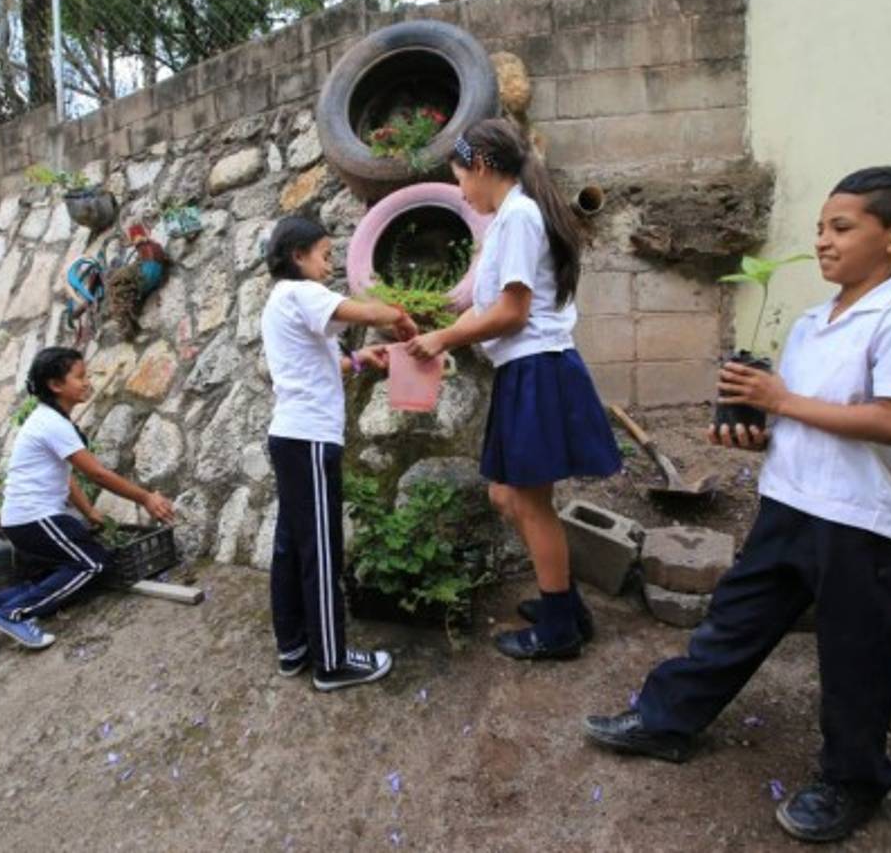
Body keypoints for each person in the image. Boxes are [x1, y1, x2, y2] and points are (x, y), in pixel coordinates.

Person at [583, 167, 891, 843]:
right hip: (788, 502)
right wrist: (757, 429)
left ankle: (853, 780)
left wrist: (780, 400)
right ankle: (667, 720)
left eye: (840, 228)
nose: (821, 241)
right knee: (732, 621)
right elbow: (806, 417)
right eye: (819, 227)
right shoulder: (815, 322)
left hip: (856, 523)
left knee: (853, 659)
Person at [406, 119, 622, 661]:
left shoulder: (521, 215)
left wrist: (445, 339)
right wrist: (430, 317)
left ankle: (558, 630)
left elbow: (512, 311)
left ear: (480, 165)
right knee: (506, 496)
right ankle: (564, 604)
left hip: (537, 368)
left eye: (460, 179)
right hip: (523, 371)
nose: (461, 193)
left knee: (529, 503)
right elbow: (485, 301)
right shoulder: (509, 218)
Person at [261, 216, 418, 692]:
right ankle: (332, 662)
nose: (328, 265)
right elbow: (364, 313)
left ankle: (294, 648)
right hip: (309, 441)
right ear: (297, 256)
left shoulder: (281, 302)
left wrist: (356, 360)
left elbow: (309, 363)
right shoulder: (299, 292)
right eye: (325, 255)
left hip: (291, 438)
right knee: (321, 551)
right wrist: (400, 317)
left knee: (292, 547)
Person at [0, 347, 175, 653]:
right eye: (80, 377)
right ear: (55, 385)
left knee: (48, 580)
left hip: (24, 521)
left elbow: (67, 474)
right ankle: (13, 615)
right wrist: (146, 498)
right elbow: (97, 474)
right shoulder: (52, 423)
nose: (87, 382)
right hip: (36, 518)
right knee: (93, 564)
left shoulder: (50, 420)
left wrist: (89, 513)